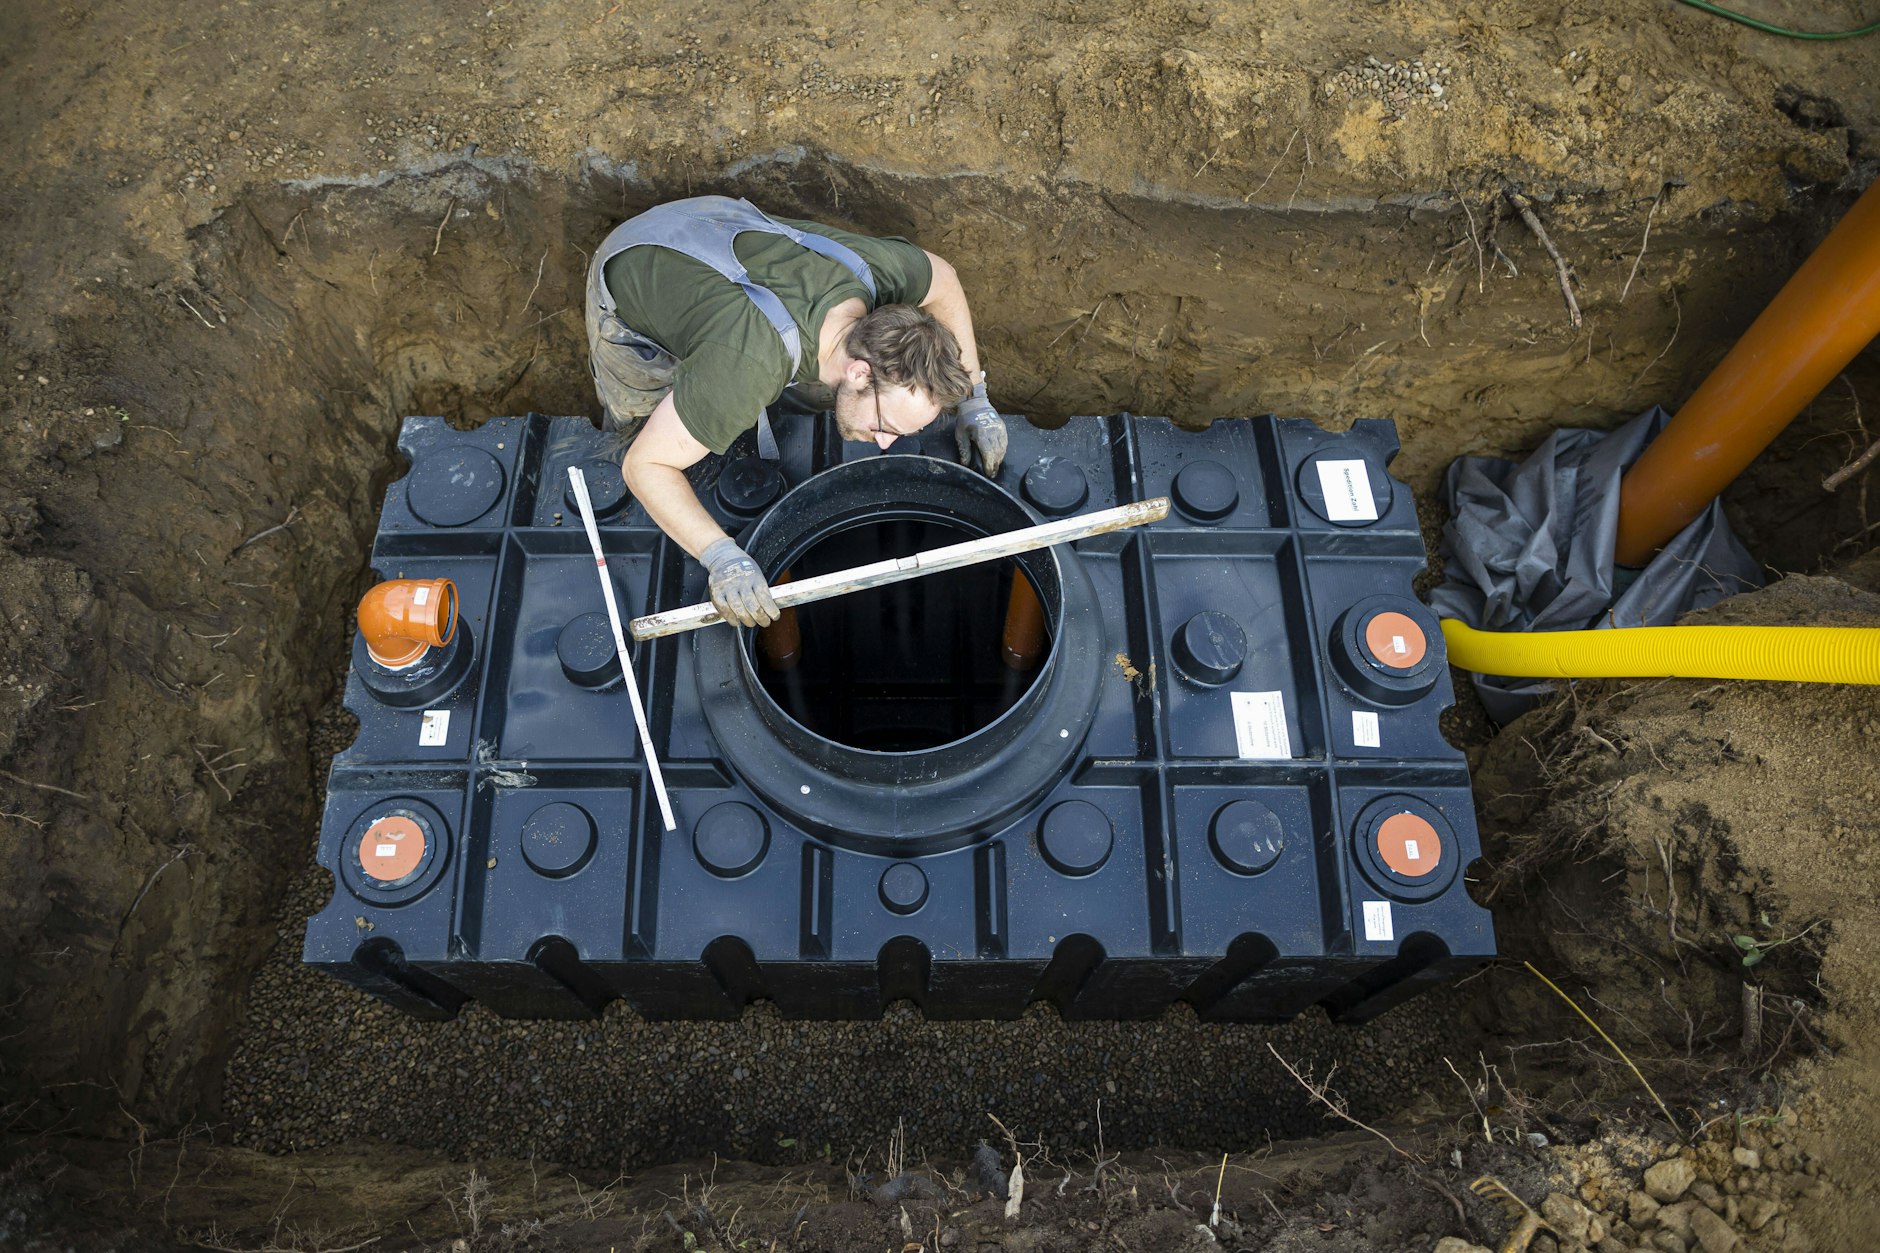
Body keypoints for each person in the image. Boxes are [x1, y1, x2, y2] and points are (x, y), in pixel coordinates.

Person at [584, 196, 1008, 629]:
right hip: (637, 263)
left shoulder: (875, 273)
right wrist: (722, 556)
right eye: (886, 426)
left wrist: (976, 399)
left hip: (720, 235)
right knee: (642, 410)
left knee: (732, 373)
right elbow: (645, 465)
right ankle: (646, 413)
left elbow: (944, 279)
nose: (885, 443)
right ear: (860, 372)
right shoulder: (748, 366)